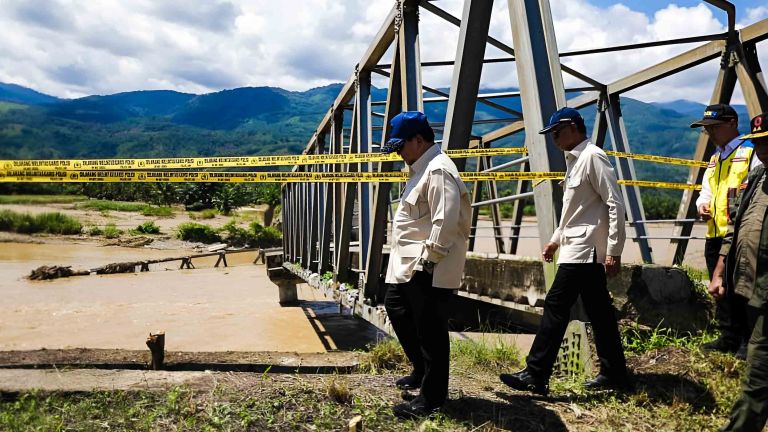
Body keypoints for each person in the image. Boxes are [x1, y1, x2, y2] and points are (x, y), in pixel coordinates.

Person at [499, 107, 630, 395]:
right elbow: (575, 211)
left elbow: (614, 204)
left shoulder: (592, 156)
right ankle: (615, 374)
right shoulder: (575, 161)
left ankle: (536, 373)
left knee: (556, 306)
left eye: (556, 132)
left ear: (573, 127)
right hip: (574, 248)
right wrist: (556, 239)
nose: (553, 138)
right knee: (600, 313)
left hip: (585, 251)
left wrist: (614, 250)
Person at [380, 111, 471, 419]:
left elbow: (445, 220)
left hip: (428, 266)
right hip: (409, 266)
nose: (398, 153)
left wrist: (429, 261)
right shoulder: (420, 168)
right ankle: (421, 371)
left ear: (418, 140)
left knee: (431, 332)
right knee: (396, 308)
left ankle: (431, 400)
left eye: (400, 146)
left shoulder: (438, 170)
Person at [708, 112, 768, 432]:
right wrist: (720, 270)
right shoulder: (758, 177)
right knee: (757, 375)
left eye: (767, 141)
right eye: (757, 142)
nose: (761, 148)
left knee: (757, 376)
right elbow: (735, 228)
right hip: (754, 290)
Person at [691, 104, 760, 359]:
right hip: (715, 231)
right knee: (719, 288)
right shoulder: (714, 158)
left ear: (732, 123)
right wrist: (702, 204)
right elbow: (705, 190)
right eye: (706, 129)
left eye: (714, 127)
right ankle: (728, 336)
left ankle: (746, 339)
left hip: (740, 233)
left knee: (740, 286)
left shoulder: (751, 151)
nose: (710, 133)